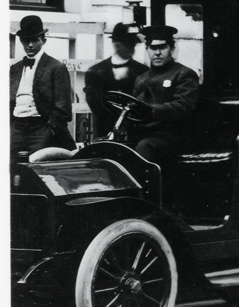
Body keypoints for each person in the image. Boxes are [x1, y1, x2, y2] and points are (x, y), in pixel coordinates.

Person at [128, 25, 201, 187]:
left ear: (172, 49)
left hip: (172, 136)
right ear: (147, 49)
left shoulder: (184, 74)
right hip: (145, 135)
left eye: (162, 47)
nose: (157, 53)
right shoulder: (141, 79)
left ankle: (145, 197)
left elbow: (183, 106)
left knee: (145, 148)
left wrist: (151, 111)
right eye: (153, 48)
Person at [9, 14, 74, 159]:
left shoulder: (56, 67)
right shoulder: (15, 68)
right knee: (8, 163)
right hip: (16, 127)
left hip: (41, 128)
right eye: (26, 40)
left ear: (43, 41)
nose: (30, 45)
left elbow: (63, 108)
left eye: (35, 40)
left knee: (37, 164)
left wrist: (49, 130)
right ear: (21, 41)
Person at [83, 22, 148, 142]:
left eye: (133, 44)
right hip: (104, 131)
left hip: (134, 133)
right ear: (116, 44)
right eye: (128, 44)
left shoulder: (143, 71)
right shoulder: (95, 72)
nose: (132, 48)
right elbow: (96, 106)